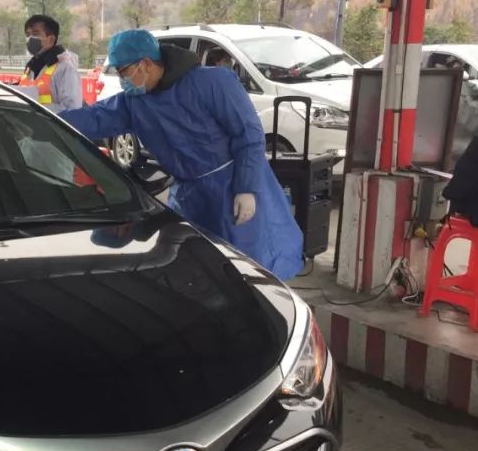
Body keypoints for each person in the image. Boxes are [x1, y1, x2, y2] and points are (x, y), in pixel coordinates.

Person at [60, 29, 303, 281]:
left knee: (252, 268)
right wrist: (41, 118)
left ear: (145, 64)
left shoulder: (213, 82)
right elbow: (93, 118)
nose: (122, 80)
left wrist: (246, 188)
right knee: (201, 270)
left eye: (123, 72)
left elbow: (249, 136)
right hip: (190, 196)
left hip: (233, 187)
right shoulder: (134, 102)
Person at [18, 15, 83, 112]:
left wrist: (36, 111)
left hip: (47, 122)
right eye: (28, 35)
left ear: (51, 39)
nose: (30, 39)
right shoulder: (31, 67)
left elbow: (71, 109)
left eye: (35, 34)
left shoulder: (65, 68)